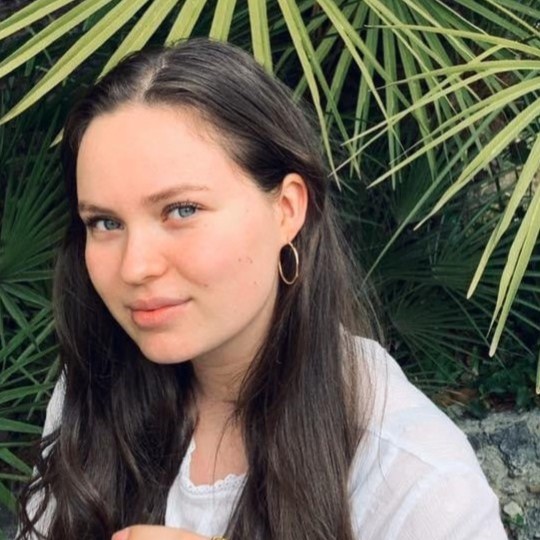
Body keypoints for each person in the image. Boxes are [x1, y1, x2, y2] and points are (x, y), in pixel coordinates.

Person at [17, 38, 507, 540]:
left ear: (287, 209)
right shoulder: (91, 389)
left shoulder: (417, 482)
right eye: (104, 223)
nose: (135, 266)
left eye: (182, 210)